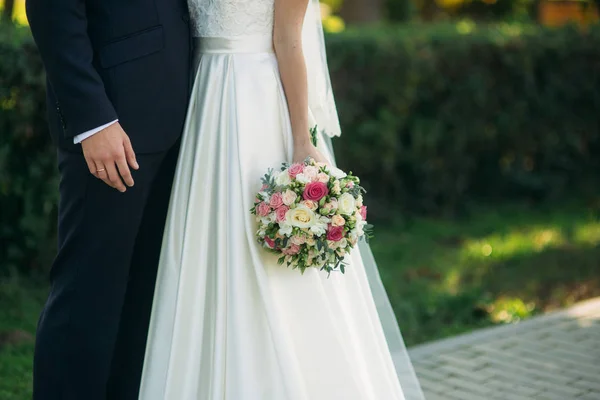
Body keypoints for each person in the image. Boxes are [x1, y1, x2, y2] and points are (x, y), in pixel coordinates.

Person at [138, 0, 424, 399]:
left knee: (261, 250)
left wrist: (302, 138)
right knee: (209, 243)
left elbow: (290, 41)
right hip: (201, 98)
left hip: (255, 102)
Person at [25, 0, 192, 398]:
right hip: (113, 126)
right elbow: (53, 11)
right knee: (88, 293)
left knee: (143, 300)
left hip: (179, 121)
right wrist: (92, 120)